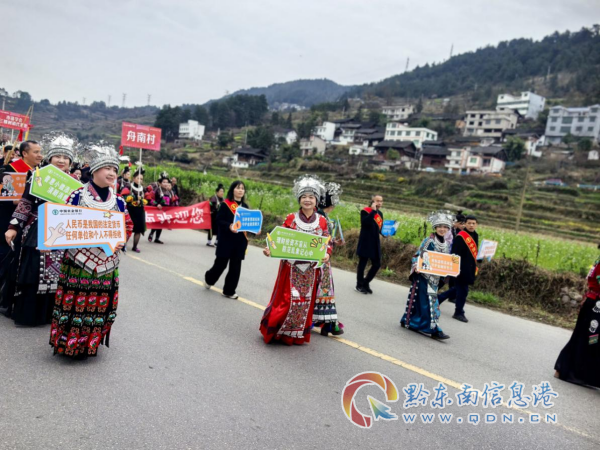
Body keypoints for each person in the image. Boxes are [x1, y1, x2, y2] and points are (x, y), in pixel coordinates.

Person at [49, 142, 132, 358]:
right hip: (78, 261)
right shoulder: (77, 196)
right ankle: (69, 343)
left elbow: (127, 225)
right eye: (107, 168)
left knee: (99, 306)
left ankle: (90, 343)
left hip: (107, 262)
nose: (112, 173)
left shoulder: (119, 201)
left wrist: (121, 241)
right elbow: (61, 224)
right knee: (74, 304)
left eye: (114, 169)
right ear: (94, 170)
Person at [5, 134, 75, 326]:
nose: (61, 160)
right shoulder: (38, 176)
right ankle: (29, 314)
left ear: (70, 162)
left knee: (59, 273)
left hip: (63, 231)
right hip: (37, 228)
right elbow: (25, 203)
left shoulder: (75, 183)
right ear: (49, 158)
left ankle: (50, 314)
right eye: (57, 156)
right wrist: (13, 227)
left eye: (65, 158)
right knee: (34, 270)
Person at [260, 175, 331, 345]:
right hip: (291, 267)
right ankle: (278, 332)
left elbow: (327, 241)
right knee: (287, 300)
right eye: (304, 196)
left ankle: (294, 335)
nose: (307, 200)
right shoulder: (291, 218)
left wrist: (327, 253)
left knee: (304, 302)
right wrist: (270, 249)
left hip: (311, 270)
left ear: (316, 200)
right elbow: (279, 239)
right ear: (299, 199)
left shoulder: (322, 221)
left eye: (311, 197)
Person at [0, 141, 43, 317]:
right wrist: (15, 201)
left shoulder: (40, 173)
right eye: (36, 152)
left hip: (27, 225)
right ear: (24, 153)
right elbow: (3, 195)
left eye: (41, 152)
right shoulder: (9, 170)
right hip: (7, 220)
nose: (40, 155)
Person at [401, 210, 454, 340]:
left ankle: (410, 321)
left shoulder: (446, 244)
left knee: (426, 302)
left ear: (448, 229)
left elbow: (445, 261)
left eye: (445, 227)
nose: (442, 229)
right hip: (424, 277)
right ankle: (434, 329)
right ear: (435, 227)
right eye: (439, 226)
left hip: (435, 278)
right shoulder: (429, 241)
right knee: (429, 303)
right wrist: (417, 266)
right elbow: (417, 256)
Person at [554, 254, 600, 388]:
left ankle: (567, 371)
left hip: (592, 304)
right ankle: (565, 370)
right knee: (590, 339)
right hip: (595, 307)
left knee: (586, 338)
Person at [204, 181, 249, 299]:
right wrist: (229, 226)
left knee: (235, 267)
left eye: (242, 188)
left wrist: (255, 230)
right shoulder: (225, 204)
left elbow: (247, 224)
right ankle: (209, 279)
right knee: (220, 264)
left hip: (239, 241)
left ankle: (229, 291)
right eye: (238, 188)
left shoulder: (245, 207)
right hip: (226, 240)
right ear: (232, 190)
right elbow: (218, 220)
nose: (240, 190)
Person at [314, 182, 344, 336]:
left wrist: (333, 242)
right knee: (322, 290)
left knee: (323, 290)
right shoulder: (319, 217)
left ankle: (327, 323)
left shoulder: (321, 216)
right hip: (319, 259)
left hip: (323, 258)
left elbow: (326, 239)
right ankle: (326, 323)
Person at [437, 215, 479, 323]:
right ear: (465, 224)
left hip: (470, 268)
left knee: (457, 289)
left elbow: (474, 253)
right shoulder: (461, 236)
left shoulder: (475, 235)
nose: (471, 225)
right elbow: (455, 254)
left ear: (476, 225)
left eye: (473, 223)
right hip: (461, 269)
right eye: (469, 223)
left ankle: (438, 299)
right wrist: (456, 269)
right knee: (463, 291)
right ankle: (459, 312)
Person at [356, 194, 384, 294]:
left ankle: (366, 282)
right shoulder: (365, 211)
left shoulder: (380, 214)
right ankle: (359, 285)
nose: (379, 203)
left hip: (375, 242)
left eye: (381, 201)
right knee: (362, 264)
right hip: (365, 241)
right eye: (377, 201)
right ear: (373, 201)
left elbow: (379, 229)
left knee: (377, 264)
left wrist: (385, 233)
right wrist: (373, 211)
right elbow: (365, 223)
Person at [122, 167, 147, 253]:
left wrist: (142, 201)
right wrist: (133, 197)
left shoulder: (143, 189)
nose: (140, 180)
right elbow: (123, 197)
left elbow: (147, 199)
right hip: (130, 210)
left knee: (138, 230)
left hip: (140, 211)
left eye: (141, 179)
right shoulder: (128, 187)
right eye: (138, 178)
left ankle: (135, 246)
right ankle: (123, 245)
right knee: (127, 228)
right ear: (134, 178)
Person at [148, 177, 178, 244]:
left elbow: (171, 201)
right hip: (157, 210)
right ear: (160, 183)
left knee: (161, 224)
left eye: (167, 182)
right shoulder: (157, 190)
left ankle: (157, 238)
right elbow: (151, 200)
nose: (165, 184)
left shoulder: (169, 192)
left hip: (165, 210)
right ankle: (151, 233)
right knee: (156, 223)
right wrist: (157, 204)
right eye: (164, 182)